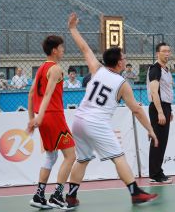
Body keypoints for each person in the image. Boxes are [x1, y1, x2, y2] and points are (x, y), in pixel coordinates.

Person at [65, 13, 159, 208]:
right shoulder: (122, 83)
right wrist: (150, 129)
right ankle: (135, 193)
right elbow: (137, 110)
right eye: (123, 58)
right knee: (118, 157)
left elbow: (85, 49)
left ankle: (71, 197)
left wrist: (73, 29)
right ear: (118, 63)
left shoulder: (96, 69)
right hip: (96, 123)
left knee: (82, 159)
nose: (125, 60)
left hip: (79, 121)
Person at [26, 35, 76, 209]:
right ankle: (57, 195)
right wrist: (39, 117)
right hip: (53, 116)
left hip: (43, 116)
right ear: (54, 50)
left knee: (51, 156)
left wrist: (32, 118)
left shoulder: (41, 68)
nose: (63, 50)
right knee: (71, 156)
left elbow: (31, 94)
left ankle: (39, 195)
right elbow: (47, 94)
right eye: (61, 48)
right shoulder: (55, 69)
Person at [147, 42, 174, 185]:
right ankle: (154, 174)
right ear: (158, 53)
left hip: (165, 107)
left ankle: (158, 171)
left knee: (162, 142)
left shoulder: (166, 70)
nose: (167, 53)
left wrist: (170, 110)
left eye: (168, 51)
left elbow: (166, 91)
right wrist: (160, 112)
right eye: (164, 51)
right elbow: (154, 91)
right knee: (157, 141)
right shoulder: (155, 69)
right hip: (158, 107)